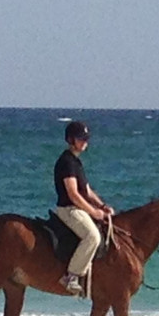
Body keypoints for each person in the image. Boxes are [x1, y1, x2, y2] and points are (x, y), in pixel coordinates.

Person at [53, 121, 113, 294]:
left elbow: (86, 190)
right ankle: (71, 276)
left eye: (86, 139)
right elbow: (73, 194)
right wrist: (93, 211)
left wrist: (102, 206)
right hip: (69, 210)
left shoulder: (76, 162)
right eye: (81, 139)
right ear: (71, 140)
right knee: (93, 237)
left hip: (77, 208)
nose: (85, 142)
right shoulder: (66, 162)